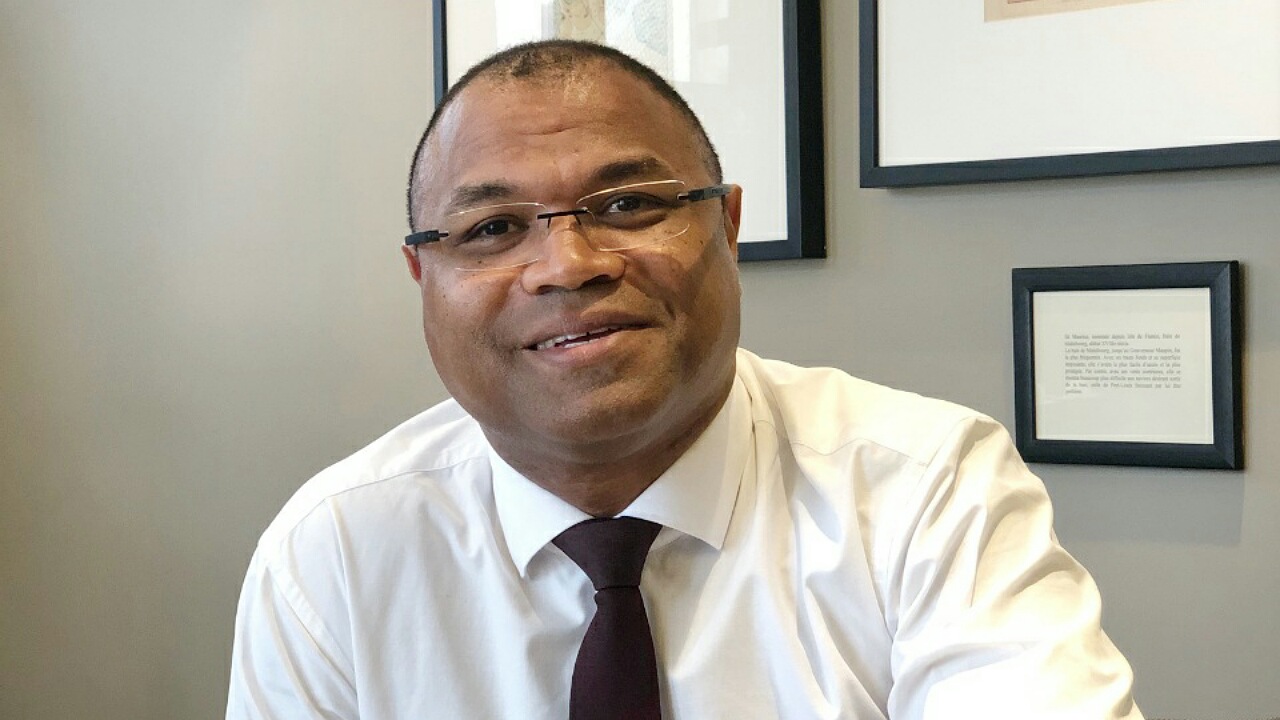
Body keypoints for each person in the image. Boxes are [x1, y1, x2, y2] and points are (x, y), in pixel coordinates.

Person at [225, 40, 1143, 719]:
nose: (569, 264)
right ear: (423, 277)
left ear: (728, 226)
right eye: (494, 229)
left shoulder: (925, 492)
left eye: (628, 204)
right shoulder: (336, 552)